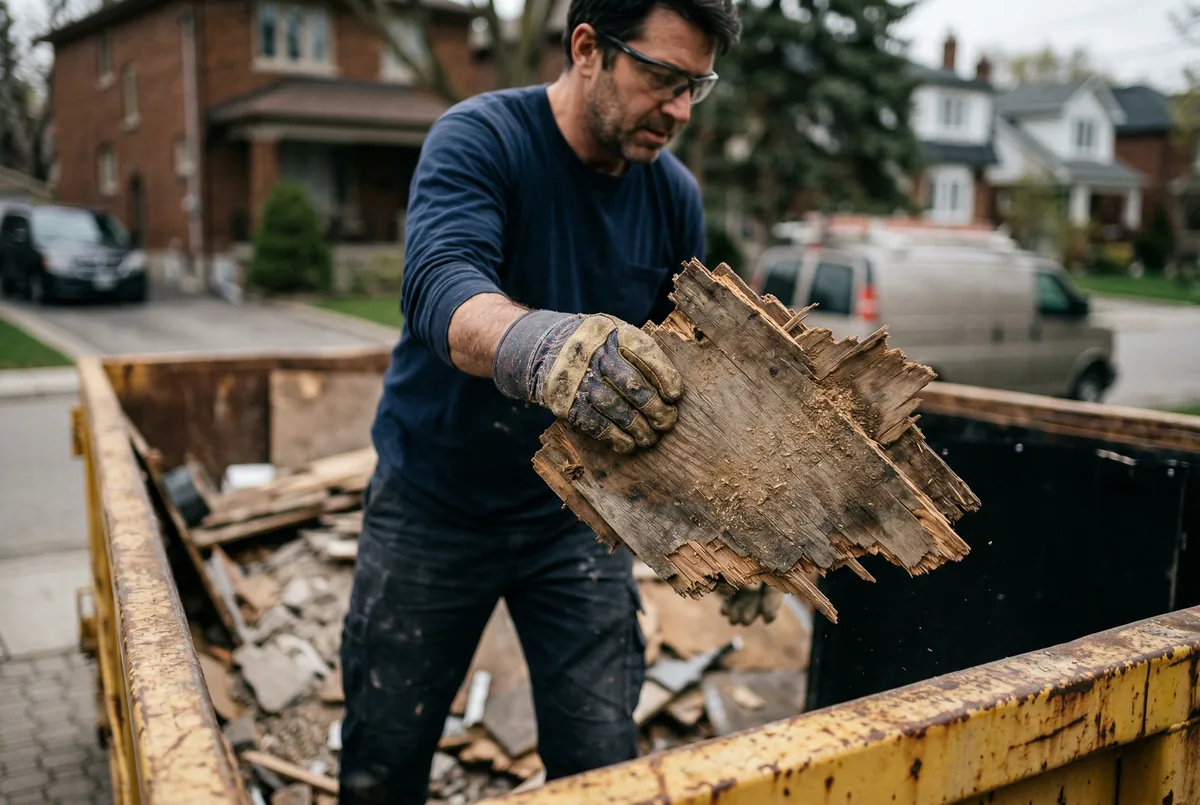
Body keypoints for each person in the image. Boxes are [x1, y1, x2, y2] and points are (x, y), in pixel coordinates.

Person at [336, 0, 780, 800]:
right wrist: (540, 348)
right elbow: (440, 287)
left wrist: (736, 524)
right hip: (434, 506)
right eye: (662, 78)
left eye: (697, 87)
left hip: (572, 520)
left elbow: (684, 382)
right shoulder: (482, 140)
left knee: (601, 764)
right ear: (587, 49)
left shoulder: (672, 196)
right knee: (383, 755)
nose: (679, 109)